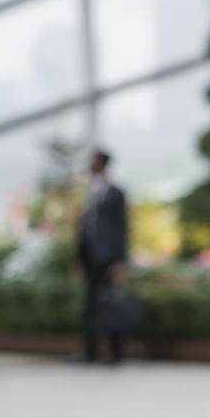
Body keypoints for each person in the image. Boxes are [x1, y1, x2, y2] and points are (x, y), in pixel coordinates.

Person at [75, 148, 129, 364]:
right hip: (90, 260)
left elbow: (122, 227)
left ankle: (115, 354)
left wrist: (120, 260)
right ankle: (90, 352)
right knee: (90, 307)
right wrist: (79, 259)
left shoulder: (115, 192)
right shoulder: (89, 191)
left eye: (93, 160)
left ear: (102, 162)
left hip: (108, 259)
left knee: (110, 305)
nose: (90, 163)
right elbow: (85, 229)